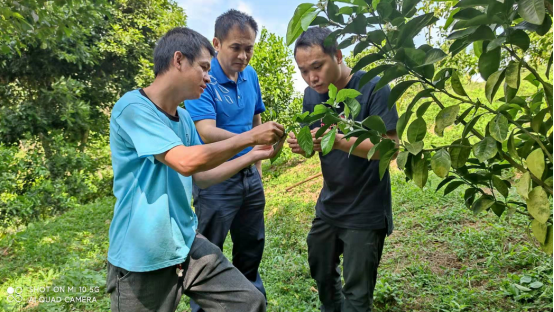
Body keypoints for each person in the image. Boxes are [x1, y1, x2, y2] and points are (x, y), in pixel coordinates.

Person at [106, 27, 284, 312]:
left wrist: (252, 156)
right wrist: (249, 137)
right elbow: (185, 161)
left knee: (249, 302)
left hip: (186, 245)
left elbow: (201, 176)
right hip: (143, 257)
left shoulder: (184, 119)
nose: (208, 76)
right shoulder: (132, 107)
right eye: (203, 67)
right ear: (178, 60)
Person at [287, 27, 399, 312]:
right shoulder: (311, 96)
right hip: (329, 206)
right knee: (321, 271)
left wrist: (337, 141)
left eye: (317, 66)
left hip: (365, 210)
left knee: (358, 294)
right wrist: (305, 146)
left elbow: (390, 148)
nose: (311, 77)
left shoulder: (374, 87)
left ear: (337, 55)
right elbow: (318, 143)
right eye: (303, 71)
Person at [184, 10, 269, 311]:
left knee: (251, 246)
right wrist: (251, 141)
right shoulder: (204, 79)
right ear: (217, 43)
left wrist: (257, 168)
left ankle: (249, 301)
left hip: (249, 177)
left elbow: (256, 120)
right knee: (208, 254)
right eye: (236, 47)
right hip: (215, 180)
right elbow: (205, 132)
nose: (243, 55)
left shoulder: (251, 76)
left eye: (249, 48)